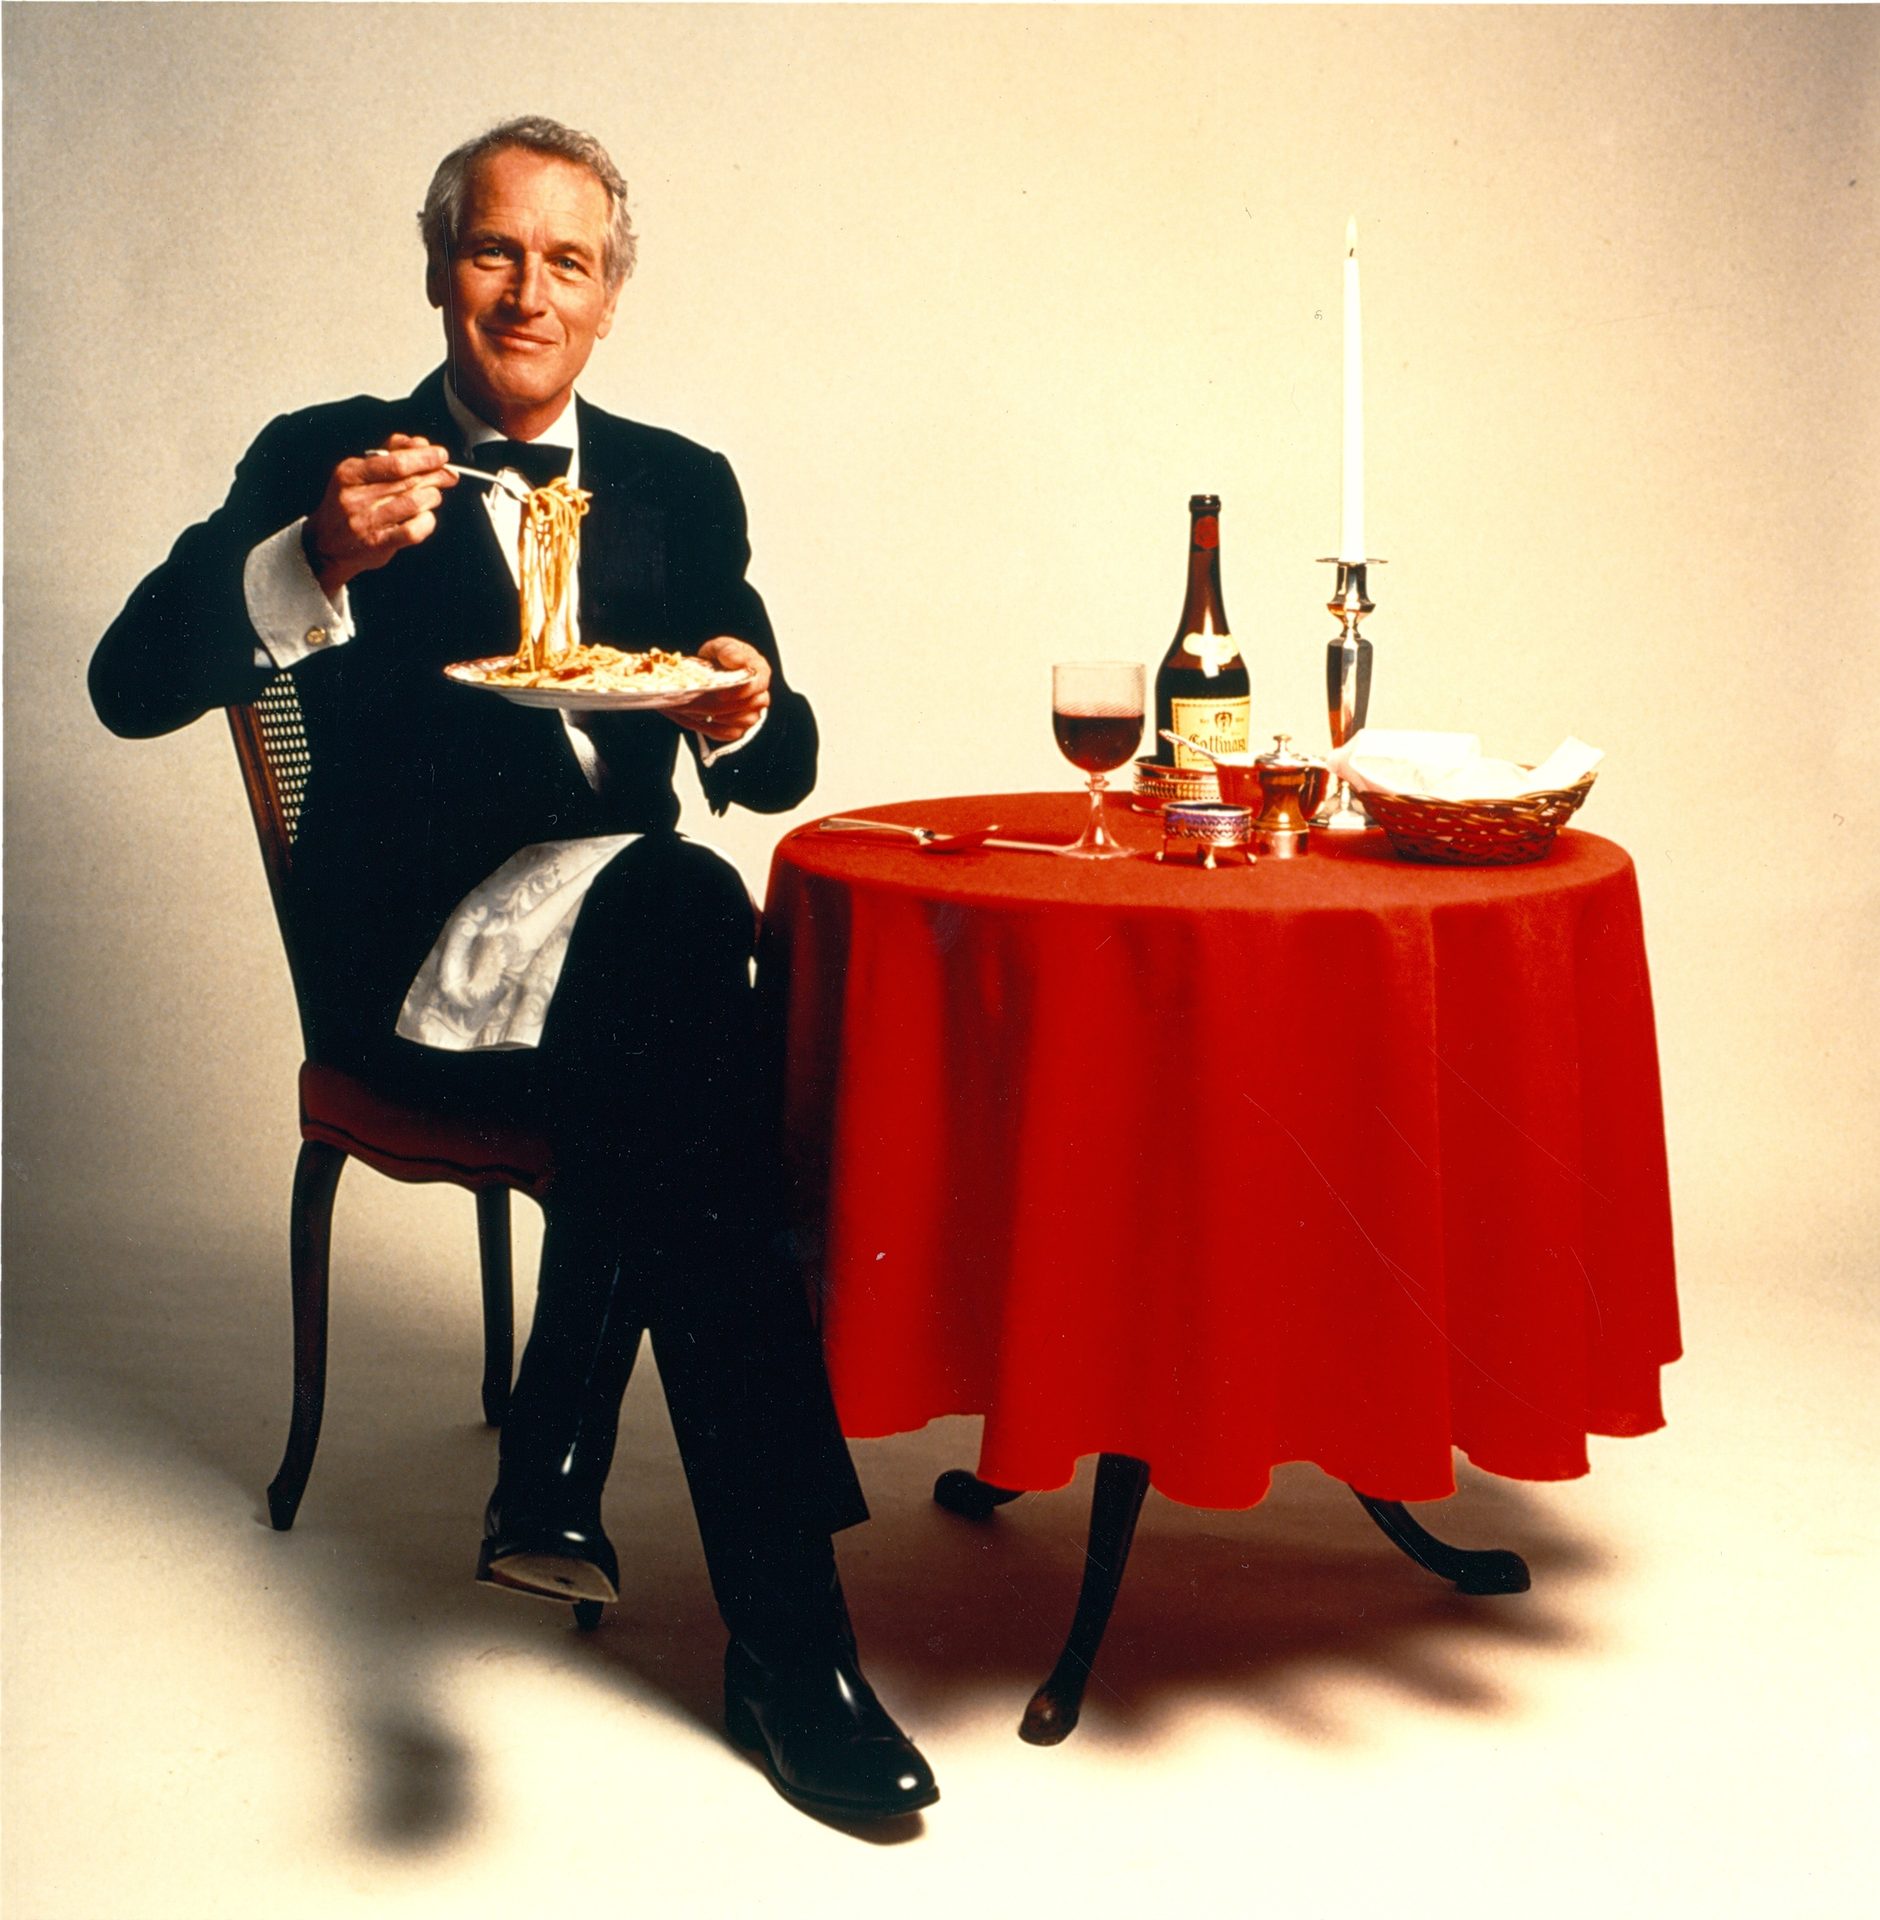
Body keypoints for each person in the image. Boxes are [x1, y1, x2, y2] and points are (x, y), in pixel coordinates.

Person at [88, 115, 937, 1825]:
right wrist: (307, 561)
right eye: (494, 250)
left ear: (610, 297)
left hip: (622, 974)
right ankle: (776, 1641)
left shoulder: (680, 484)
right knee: (697, 946)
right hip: (419, 970)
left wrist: (740, 701)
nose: (526, 292)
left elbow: (774, 758)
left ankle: (618, 1512)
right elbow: (127, 681)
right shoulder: (332, 455)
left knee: (681, 925)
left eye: (567, 261)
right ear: (435, 269)